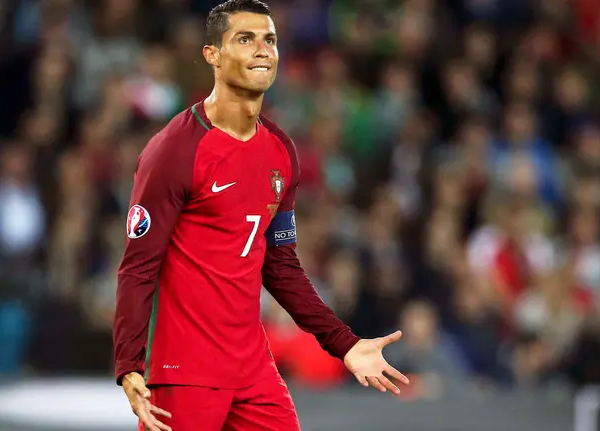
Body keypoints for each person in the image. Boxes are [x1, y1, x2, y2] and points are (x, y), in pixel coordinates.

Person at [112, 1, 410, 430]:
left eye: (269, 40)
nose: (262, 50)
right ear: (212, 54)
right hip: (186, 371)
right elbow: (137, 267)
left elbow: (282, 266)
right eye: (245, 39)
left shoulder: (281, 151)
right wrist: (129, 364)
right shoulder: (174, 151)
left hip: (252, 370)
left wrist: (344, 344)